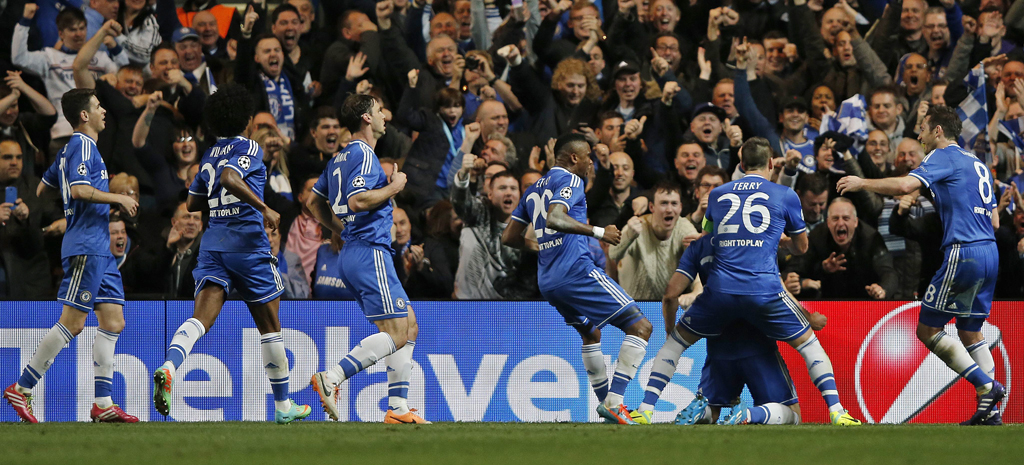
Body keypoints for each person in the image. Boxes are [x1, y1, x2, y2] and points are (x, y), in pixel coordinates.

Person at [662, 137, 862, 425]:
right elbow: (797, 253)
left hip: (720, 328)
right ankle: (835, 411)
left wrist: (674, 331)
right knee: (805, 363)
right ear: (771, 163)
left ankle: (673, 408)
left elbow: (672, 292)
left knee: (710, 402)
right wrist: (805, 311)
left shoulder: (714, 210)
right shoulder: (780, 202)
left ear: (741, 165)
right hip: (759, 328)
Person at [151, 83, 311, 425]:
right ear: (248, 120)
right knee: (270, 327)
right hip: (248, 246)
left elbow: (193, 202)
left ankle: (169, 366)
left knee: (200, 319)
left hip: (213, 245)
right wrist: (264, 206)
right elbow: (229, 177)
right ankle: (284, 406)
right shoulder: (248, 146)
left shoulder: (209, 153)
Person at [837, 105, 1006, 425]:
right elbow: (995, 221)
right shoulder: (978, 164)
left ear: (938, 131)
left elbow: (904, 186)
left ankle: (988, 387)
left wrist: (862, 183)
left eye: (923, 129)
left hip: (964, 252)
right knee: (971, 331)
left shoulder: (942, 156)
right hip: (990, 253)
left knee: (928, 330)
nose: (919, 135)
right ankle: (991, 412)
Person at [3, 88, 139, 423]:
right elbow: (77, 189)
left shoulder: (70, 150)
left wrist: (57, 197)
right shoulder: (81, 145)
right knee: (74, 323)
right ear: (83, 116)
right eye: (97, 106)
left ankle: (103, 403)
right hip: (85, 248)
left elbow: (44, 185)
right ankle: (22, 388)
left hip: (99, 250)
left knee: (113, 321)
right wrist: (117, 199)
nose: (103, 110)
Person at [501, 133, 653, 425]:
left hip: (549, 282)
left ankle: (606, 406)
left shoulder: (533, 188)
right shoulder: (571, 180)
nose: (590, 164)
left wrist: (540, 246)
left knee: (591, 334)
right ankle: (615, 401)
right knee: (641, 327)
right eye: (588, 158)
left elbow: (509, 237)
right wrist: (600, 232)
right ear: (574, 158)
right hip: (577, 272)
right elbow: (555, 219)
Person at [307, 94, 428, 425]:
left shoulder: (338, 159)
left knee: (410, 324)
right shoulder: (362, 153)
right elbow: (359, 200)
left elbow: (312, 204)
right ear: (365, 118)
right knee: (397, 331)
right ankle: (331, 377)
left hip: (355, 251)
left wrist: (341, 229)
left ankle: (398, 407)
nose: (384, 115)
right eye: (378, 111)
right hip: (370, 249)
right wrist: (394, 187)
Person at [634, 235, 816, 426]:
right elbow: (779, 291)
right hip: (757, 347)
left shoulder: (699, 247)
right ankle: (749, 415)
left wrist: (671, 330)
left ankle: (690, 410)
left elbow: (670, 295)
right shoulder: (757, 243)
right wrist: (806, 318)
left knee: (711, 410)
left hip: (719, 348)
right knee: (793, 415)